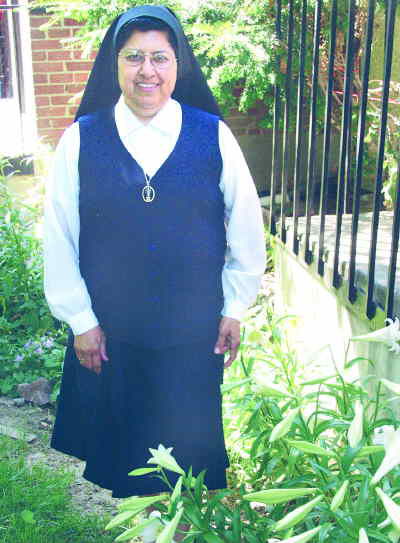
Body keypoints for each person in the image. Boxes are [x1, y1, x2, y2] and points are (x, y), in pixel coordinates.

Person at [44, 4, 265, 504]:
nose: (148, 71)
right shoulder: (81, 140)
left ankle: (179, 530)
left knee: (189, 454)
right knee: (127, 453)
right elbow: (59, 235)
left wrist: (235, 306)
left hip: (192, 330)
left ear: (178, 64)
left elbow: (247, 226)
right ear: (115, 64)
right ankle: (146, 531)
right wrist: (80, 320)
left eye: (160, 58)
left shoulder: (213, 135)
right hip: (113, 331)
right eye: (134, 57)